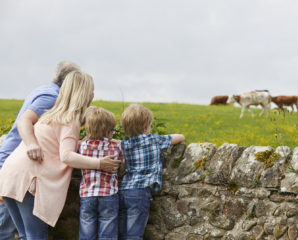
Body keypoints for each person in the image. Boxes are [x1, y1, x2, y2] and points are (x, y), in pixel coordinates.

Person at [0, 71, 121, 239]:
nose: (93, 94)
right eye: (91, 90)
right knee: (36, 236)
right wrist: (100, 163)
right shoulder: (71, 120)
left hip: (10, 175)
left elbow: (54, 144)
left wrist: (79, 143)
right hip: (30, 180)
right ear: (84, 94)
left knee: (24, 235)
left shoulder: (50, 115)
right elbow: (67, 156)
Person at [0, 61, 80, 240]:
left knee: (21, 233)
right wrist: (31, 144)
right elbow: (24, 121)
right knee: (8, 231)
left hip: (13, 165)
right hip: (23, 166)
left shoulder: (42, 90)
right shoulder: (52, 98)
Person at [118, 104, 185, 240]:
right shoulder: (154, 140)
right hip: (141, 192)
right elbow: (180, 137)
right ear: (145, 127)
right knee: (134, 233)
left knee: (123, 231)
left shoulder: (124, 143)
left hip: (124, 190)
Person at [78, 106, 122, 240]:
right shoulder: (115, 147)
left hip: (87, 194)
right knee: (108, 231)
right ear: (108, 132)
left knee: (86, 230)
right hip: (108, 194)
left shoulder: (82, 146)